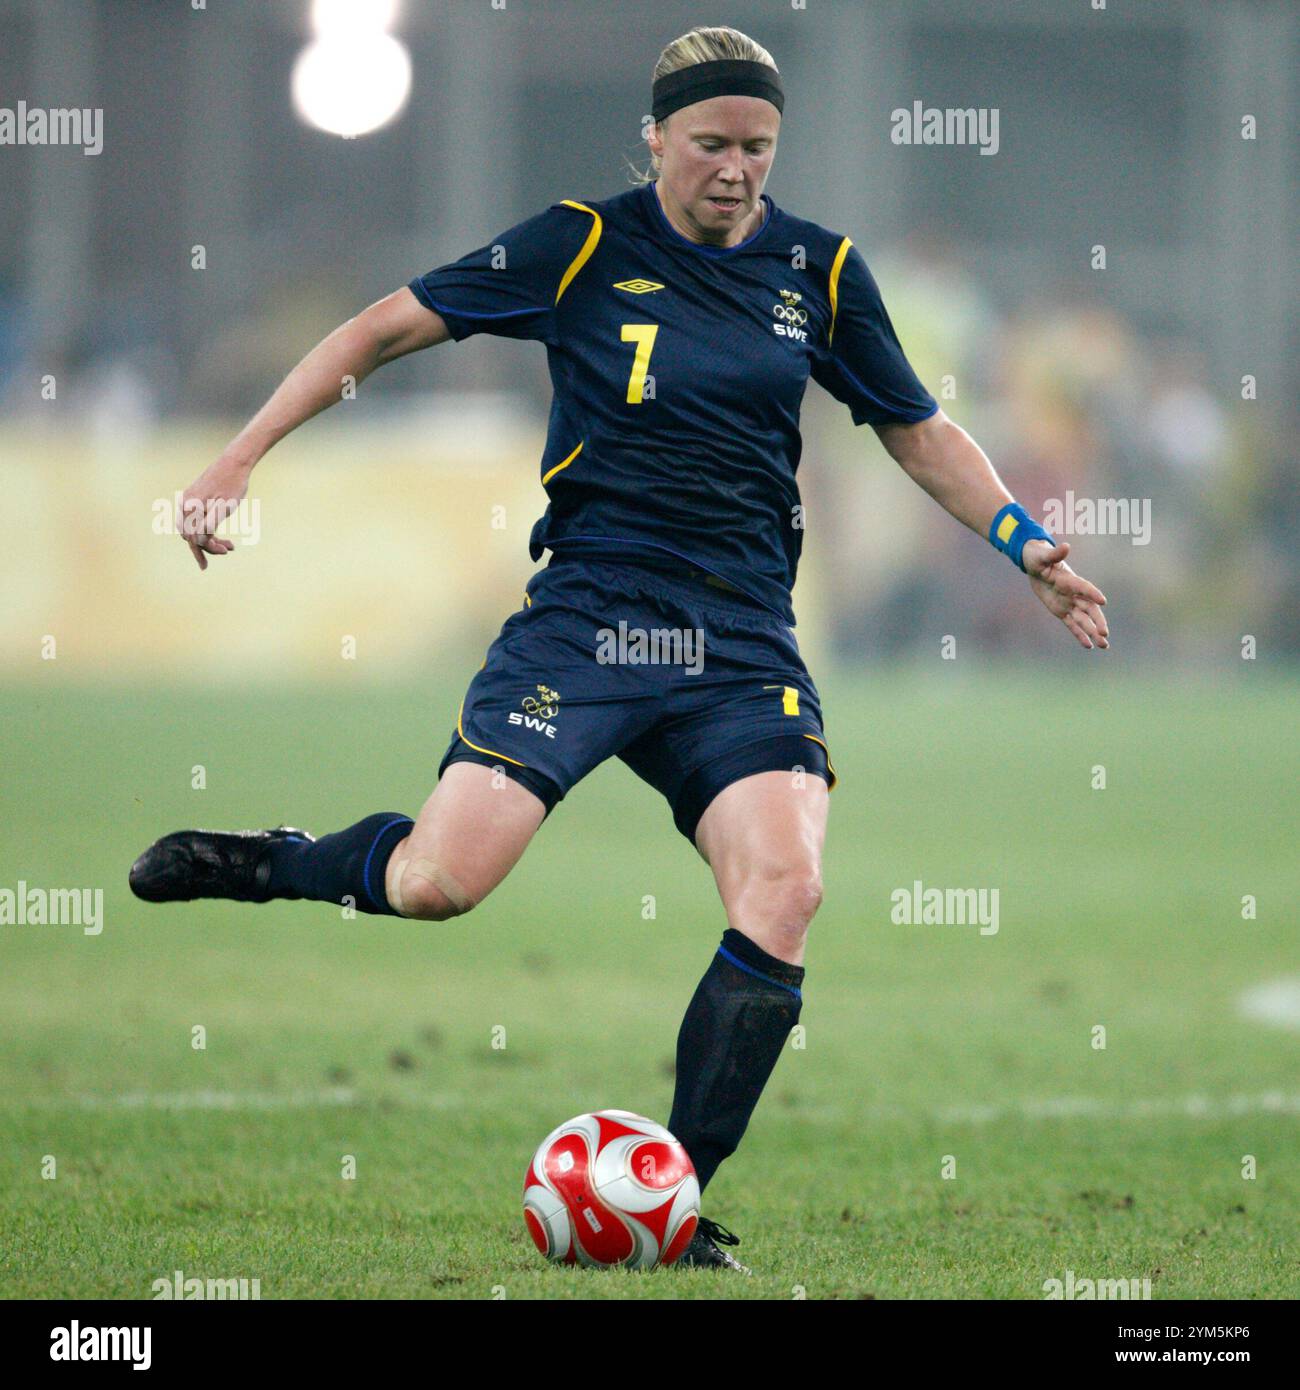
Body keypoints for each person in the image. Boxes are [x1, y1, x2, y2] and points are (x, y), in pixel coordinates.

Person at [129, 25, 1108, 1272]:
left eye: (757, 147)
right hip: (589, 621)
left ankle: (675, 1201)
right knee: (439, 882)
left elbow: (915, 429)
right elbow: (379, 329)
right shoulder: (579, 242)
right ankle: (275, 863)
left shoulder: (822, 268)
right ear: (653, 139)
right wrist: (236, 455)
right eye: (709, 144)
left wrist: (1024, 544)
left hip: (740, 639)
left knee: (787, 888)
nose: (735, 169)